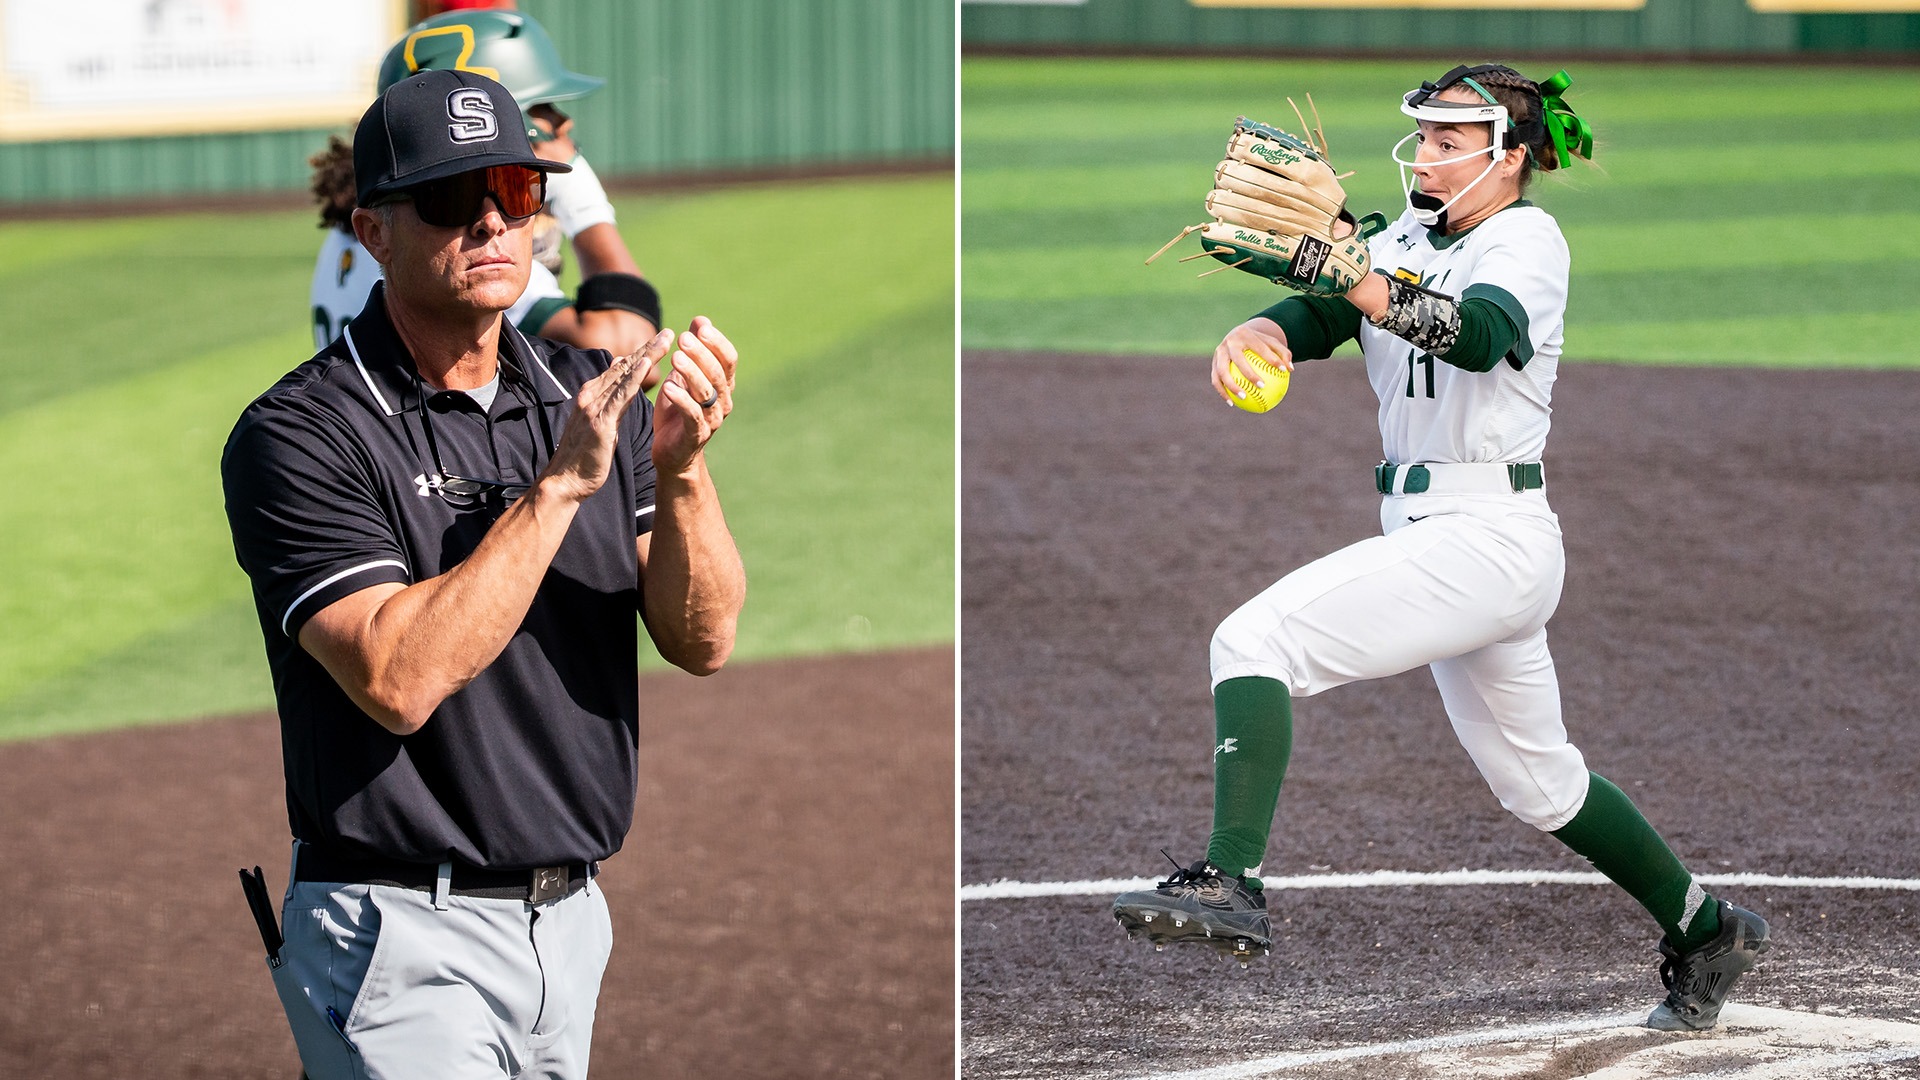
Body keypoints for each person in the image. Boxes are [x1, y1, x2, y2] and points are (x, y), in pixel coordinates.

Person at [1111, 64, 1770, 1032]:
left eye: (1449, 140)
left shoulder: (1528, 241)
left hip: (1491, 536)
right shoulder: (1399, 236)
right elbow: (1328, 312)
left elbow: (1476, 333)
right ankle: (1710, 929)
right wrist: (1267, 326)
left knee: (1254, 644)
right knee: (1541, 784)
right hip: (1437, 537)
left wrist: (1366, 280)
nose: (1426, 153)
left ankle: (1232, 881)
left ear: (1507, 158)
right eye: (1422, 136)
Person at [225, 69, 744, 1078]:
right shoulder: (301, 433)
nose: (492, 225)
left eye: (513, 193)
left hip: (573, 927)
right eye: (451, 201)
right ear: (373, 232)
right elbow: (395, 678)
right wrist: (555, 492)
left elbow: (704, 639)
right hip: (398, 932)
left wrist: (682, 469)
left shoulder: (587, 391)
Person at [309, 7, 659, 378]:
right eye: (542, 108)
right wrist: (585, 207)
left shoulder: (370, 225)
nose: (562, 122)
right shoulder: (462, 254)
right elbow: (631, 354)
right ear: (474, 118)